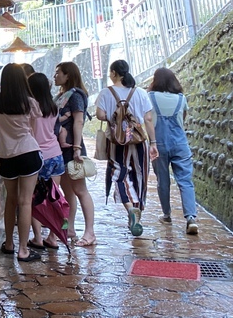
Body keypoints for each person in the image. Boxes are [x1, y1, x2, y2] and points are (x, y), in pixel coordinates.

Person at [0, 63, 43, 262]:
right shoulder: (30, 103)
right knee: (25, 201)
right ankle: (24, 250)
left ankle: (9, 244)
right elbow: (33, 129)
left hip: (7, 155)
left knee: (11, 200)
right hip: (28, 153)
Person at [95, 59, 157, 237]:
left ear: (114, 73)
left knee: (119, 176)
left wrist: (115, 117)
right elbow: (148, 119)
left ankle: (130, 209)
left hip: (117, 142)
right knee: (140, 176)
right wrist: (153, 143)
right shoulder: (140, 92)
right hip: (139, 142)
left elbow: (100, 114)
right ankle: (137, 213)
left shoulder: (107, 93)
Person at [148, 67, 199, 235]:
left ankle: (167, 214)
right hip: (180, 143)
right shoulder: (181, 98)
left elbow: (147, 119)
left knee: (163, 180)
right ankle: (191, 217)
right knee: (185, 181)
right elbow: (182, 119)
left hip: (159, 144)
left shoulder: (151, 97)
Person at [54, 62, 96, 247]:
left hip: (72, 147)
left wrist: (77, 148)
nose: (55, 76)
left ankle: (90, 232)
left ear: (67, 75)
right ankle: (69, 228)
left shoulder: (75, 95)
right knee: (67, 191)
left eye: (58, 73)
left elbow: (78, 122)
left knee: (80, 190)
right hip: (61, 149)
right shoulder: (61, 95)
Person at [27, 72, 65, 249]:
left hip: (38, 156)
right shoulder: (54, 107)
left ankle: (37, 238)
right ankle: (53, 237)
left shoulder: (31, 108)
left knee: (34, 198)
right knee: (54, 196)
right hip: (56, 155)